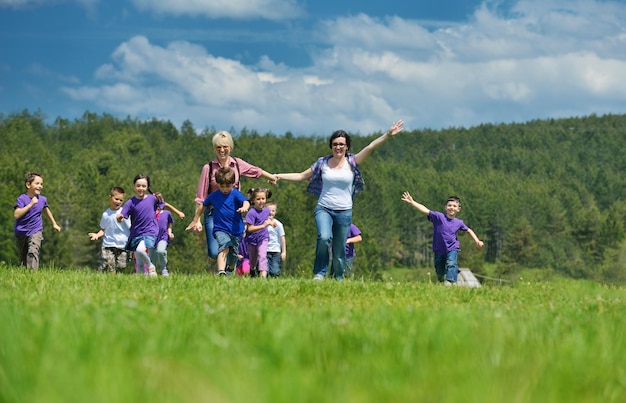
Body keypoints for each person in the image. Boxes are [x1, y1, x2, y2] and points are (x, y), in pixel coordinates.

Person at [275, 120, 404, 281]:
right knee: (323, 237)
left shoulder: (352, 162)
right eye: (335, 144)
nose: (338, 147)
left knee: (339, 248)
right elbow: (302, 176)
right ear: (331, 146)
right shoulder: (322, 163)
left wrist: (387, 135)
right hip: (324, 208)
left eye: (342, 144)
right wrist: (279, 176)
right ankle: (319, 274)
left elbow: (370, 147)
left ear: (347, 146)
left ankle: (338, 278)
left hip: (344, 211)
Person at [194, 131, 276, 270]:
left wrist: (272, 177)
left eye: (225, 146)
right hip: (213, 215)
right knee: (214, 252)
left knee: (230, 248)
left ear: (230, 147)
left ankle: (223, 274)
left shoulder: (237, 163)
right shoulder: (208, 168)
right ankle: (214, 261)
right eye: (218, 147)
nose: (222, 150)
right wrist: (197, 220)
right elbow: (200, 196)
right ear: (214, 148)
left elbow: (255, 171)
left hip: (233, 214)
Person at [401, 192, 484, 285]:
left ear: (458, 209)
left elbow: (469, 230)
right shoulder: (439, 217)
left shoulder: (459, 222)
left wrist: (477, 240)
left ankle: (451, 282)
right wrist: (412, 202)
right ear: (445, 207)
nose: (451, 207)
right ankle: (442, 280)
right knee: (439, 270)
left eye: (454, 206)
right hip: (439, 249)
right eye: (449, 205)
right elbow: (425, 210)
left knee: (451, 262)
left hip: (452, 248)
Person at [117, 174, 184, 277]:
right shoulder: (130, 202)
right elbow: (123, 214)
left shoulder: (152, 199)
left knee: (140, 250)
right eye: (138, 185)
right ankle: (144, 282)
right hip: (136, 233)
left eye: (144, 186)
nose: (141, 188)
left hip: (150, 231)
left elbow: (163, 204)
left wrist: (176, 211)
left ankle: (150, 265)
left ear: (147, 187)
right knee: (139, 263)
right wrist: (120, 217)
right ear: (134, 186)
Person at [187, 167, 250, 276]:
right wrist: (195, 219)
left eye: (228, 186)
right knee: (224, 246)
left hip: (236, 230)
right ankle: (221, 271)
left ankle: (230, 267)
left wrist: (245, 207)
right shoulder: (214, 196)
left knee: (233, 255)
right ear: (218, 184)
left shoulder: (235, 194)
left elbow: (246, 201)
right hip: (220, 228)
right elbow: (203, 206)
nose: (225, 189)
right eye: (222, 186)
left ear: (233, 184)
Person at [13, 172, 61, 270]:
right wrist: (30, 204)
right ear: (28, 185)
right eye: (37, 183)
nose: (40, 186)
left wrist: (54, 224)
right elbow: (17, 214)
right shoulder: (22, 199)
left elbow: (46, 210)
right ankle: (25, 275)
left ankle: (32, 274)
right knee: (23, 258)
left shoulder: (42, 200)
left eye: (41, 184)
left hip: (36, 230)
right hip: (21, 232)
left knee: (33, 251)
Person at [88, 186, 131, 273]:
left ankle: (117, 280)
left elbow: (131, 227)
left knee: (121, 266)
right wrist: (96, 235)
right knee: (109, 265)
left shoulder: (125, 212)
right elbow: (103, 229)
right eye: (116, 199)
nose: (118, 202)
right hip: (108, 244)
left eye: (121, 200)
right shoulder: (106, 214)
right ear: (110, 197)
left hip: (123, 245)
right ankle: (102, 276)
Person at [149, 199, 185, 276]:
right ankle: (152, 272)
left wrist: (170, 233)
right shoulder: (150, 213)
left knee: (161, 251)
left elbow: (169, 225)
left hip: (163, 237)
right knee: (152, 258)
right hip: (152, 238)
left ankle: (163, 268)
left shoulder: (167, 213)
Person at [245, 188, 273, 278]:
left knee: (262, 255)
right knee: (253, 259)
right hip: (252, 239)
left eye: (263, 199)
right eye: (258, 199)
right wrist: (263, 226)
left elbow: (267, 219)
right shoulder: (251, 213)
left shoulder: (267, 210)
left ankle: (263, 276)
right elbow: (250, 228)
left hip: (263, 237)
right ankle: (252, 270)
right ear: (253, 200)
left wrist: (271, 222)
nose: (261, 201)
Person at [266, 201, 286, 277]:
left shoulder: (278, 224)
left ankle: (275, 279)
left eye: (273, 211)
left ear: (275, 212)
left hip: (275, 251)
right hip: (265, 250)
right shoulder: (263, 224)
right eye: (269, 211)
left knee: (275, 271)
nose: (271, 213)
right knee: (265, 270)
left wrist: (284, 252)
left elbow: (282, 237)